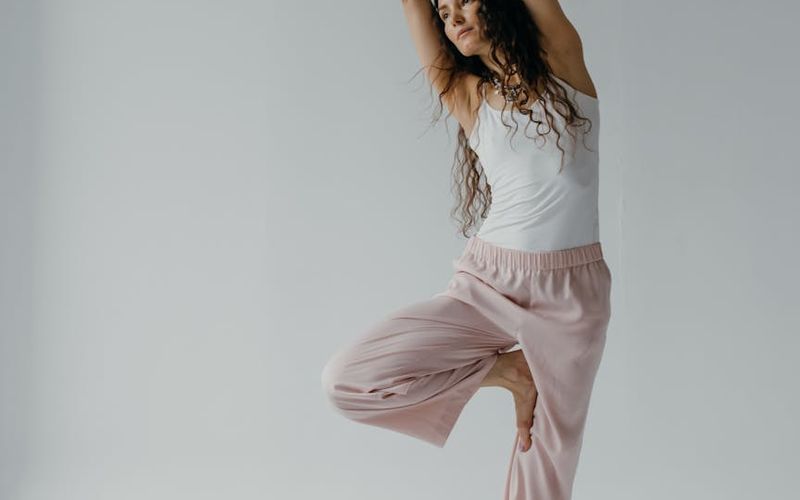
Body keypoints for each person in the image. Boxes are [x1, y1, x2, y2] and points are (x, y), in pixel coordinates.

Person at [321, 1, 611, 498]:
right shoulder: (468, 95)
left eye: (463, 2)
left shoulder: (564, 65)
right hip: (488, 284)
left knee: (544, 462)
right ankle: (512, 373)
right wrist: (496, 369)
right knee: (347, 381)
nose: (451, 18)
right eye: (443, 9)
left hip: (573, 297)